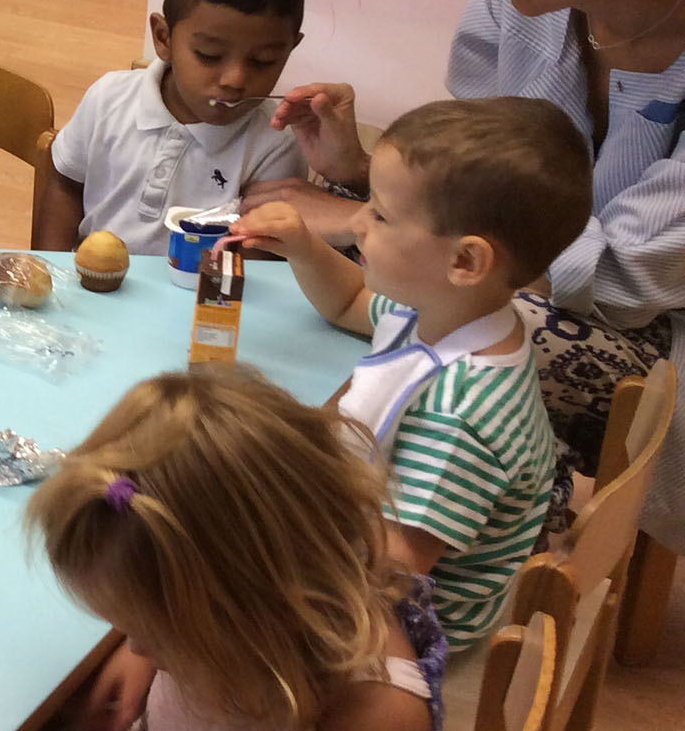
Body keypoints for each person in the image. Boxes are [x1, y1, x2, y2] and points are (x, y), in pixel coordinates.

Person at [251, 0, 685, 539]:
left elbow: (624, 279)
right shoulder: (520, 1)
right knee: (346, 271)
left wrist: (359, 218)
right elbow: (491, 175)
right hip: (522, 270)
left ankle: (497, 507)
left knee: (425, 320)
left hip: (647, 330)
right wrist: (360, 174)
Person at [0, 365, 442, 731]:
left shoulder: (378, 725)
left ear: (249, 603)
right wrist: (140, 647)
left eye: (154, 634)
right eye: (128, 627)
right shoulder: (283, 589)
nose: (139, 647)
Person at [229, 97, 581, 650]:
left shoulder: (458, 416)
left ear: (465, 262)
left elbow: (391, 569)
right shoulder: (444, 311)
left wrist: (261, 542)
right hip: (374, 543)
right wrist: (302, 247)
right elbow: (349, 301)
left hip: (409, 621)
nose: (356, 222)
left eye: (380, 215)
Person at [39, 0, 309, 254]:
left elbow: (257, 262)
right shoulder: (108, 98)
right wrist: (50, 268)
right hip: (90, 280)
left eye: (263, 61)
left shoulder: (276, 145)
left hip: (204, 288)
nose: (235, 80)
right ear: (163, 38)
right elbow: (65, 184)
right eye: (209, 55)